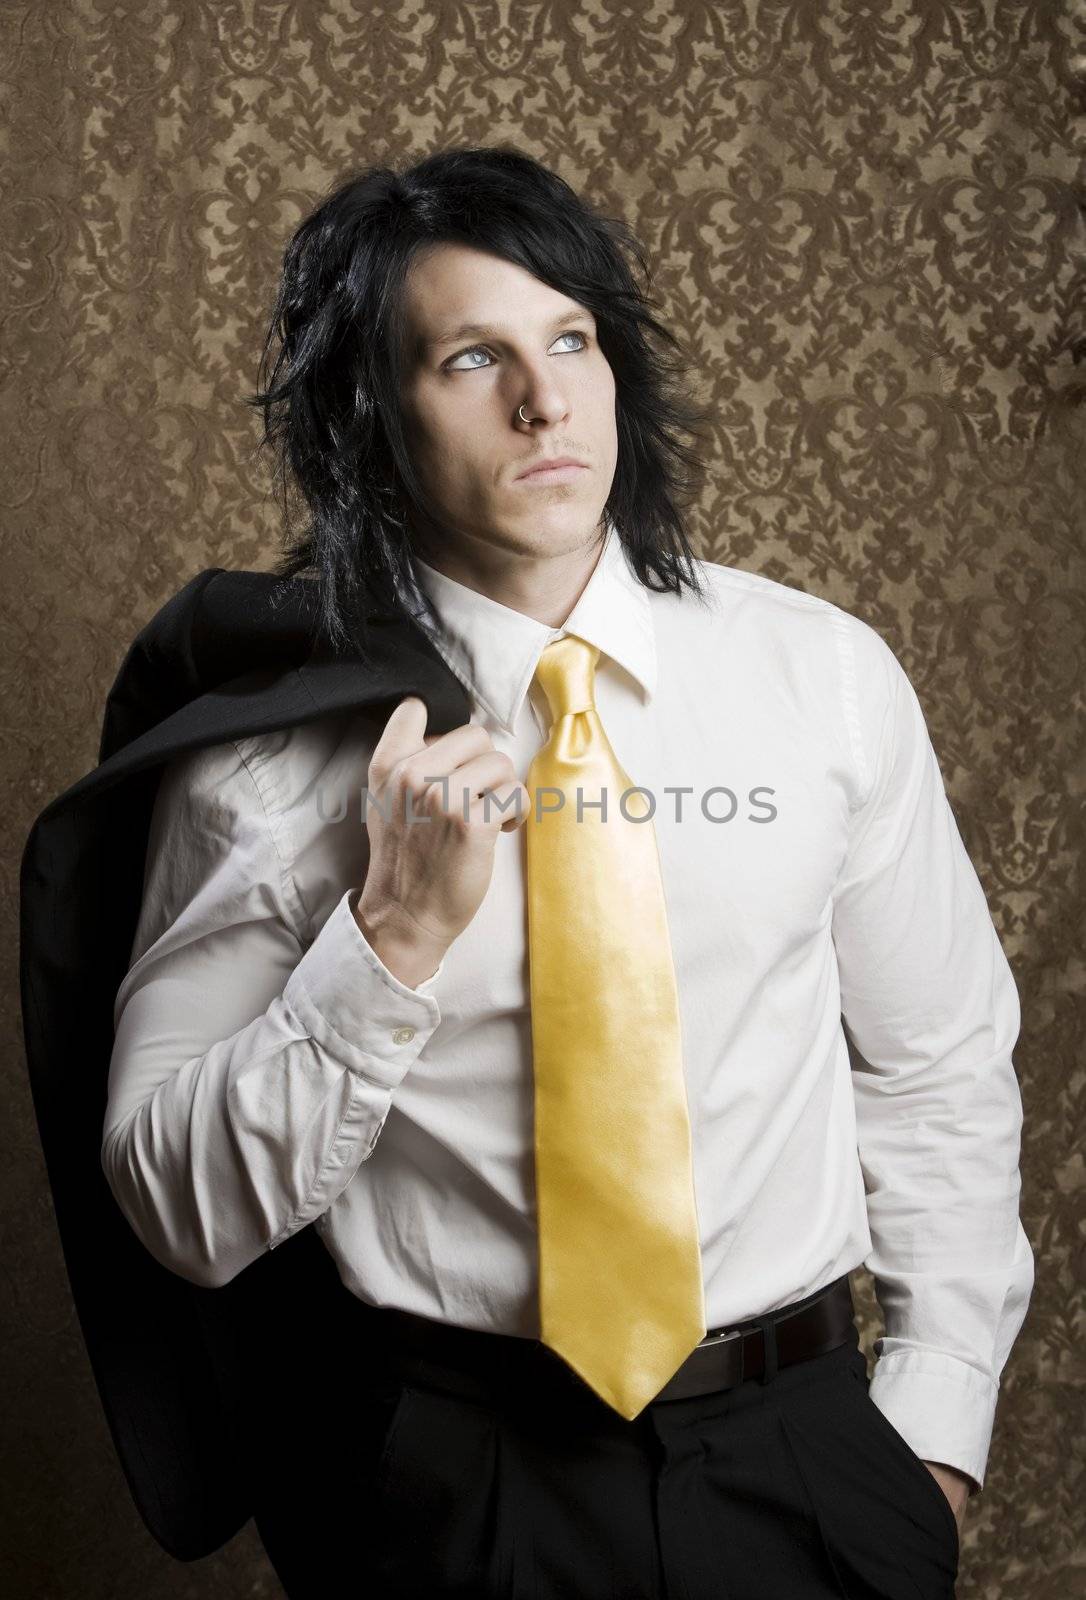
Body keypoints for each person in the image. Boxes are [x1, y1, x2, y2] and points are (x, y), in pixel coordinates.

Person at [99, 146, 1033, 1599]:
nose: (544, 403)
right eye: (472, 357)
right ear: (367, 418)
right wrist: (388, 937)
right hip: (451, 1497)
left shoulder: (820, 677)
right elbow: (176, 1206)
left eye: (571, 340)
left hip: (803, 1468)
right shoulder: (269, 760)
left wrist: (930, 1434)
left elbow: (935, 1065)